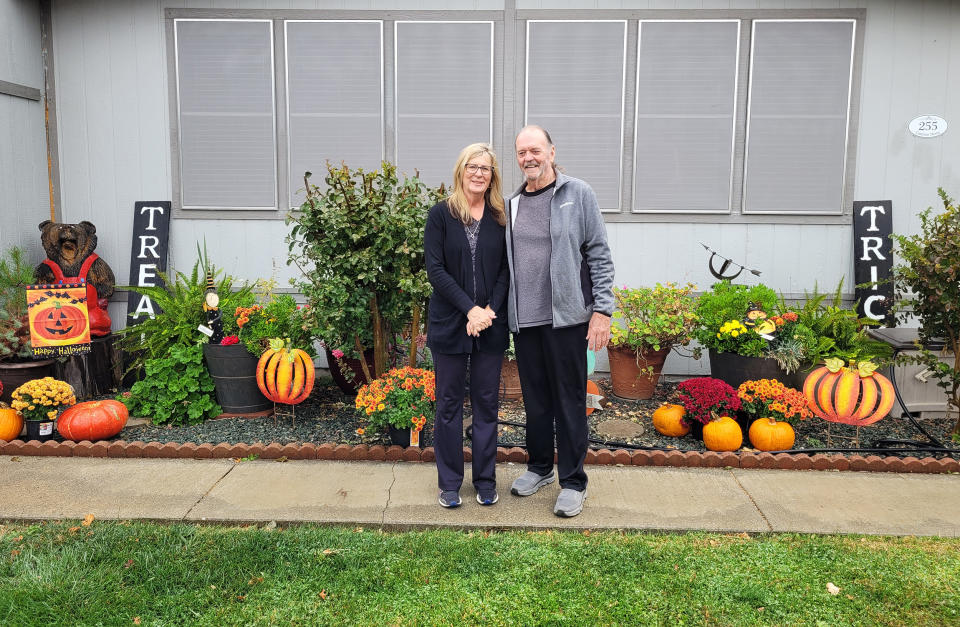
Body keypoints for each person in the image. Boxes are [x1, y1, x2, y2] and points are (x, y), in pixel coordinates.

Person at [505, 125, 615, 517]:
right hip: (527, 322)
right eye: (521, 152)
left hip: (568, 320)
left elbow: (599, 254)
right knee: (535, 402)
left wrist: (602, 310)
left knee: (569, 401)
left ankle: (572, 481)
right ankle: (538, 468)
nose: (528, 158)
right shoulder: (512, 203)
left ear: (551, 151)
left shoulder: (577, 193)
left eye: (535, 150)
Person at [424, 143, 509, 509]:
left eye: (486, 169)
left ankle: (486, 481)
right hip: (450, 324)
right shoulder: (441, 215)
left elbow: (508, 270)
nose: (479, 173)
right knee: (448, 405)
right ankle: (449, 483)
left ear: (493, 176)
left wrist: (488, 311)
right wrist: (470, 310)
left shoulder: (501, 217)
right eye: (472, 166)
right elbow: (436, 270)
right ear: (461, 170)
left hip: (490, 324)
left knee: (487, 404)